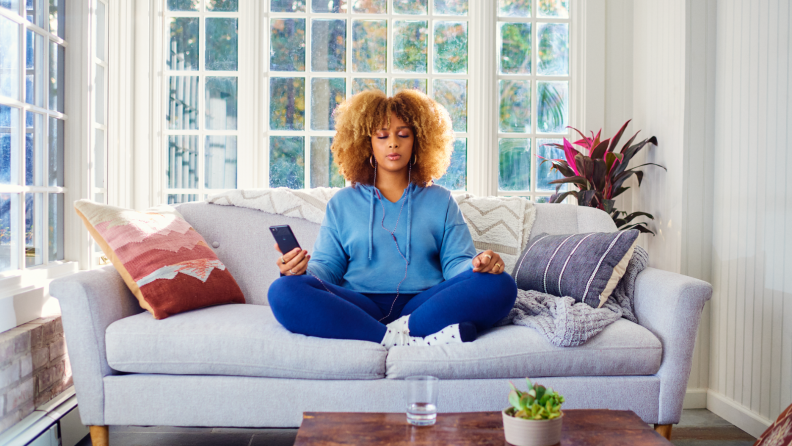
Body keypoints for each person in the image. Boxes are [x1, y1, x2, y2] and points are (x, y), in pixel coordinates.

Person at [268, 89, 517, 349]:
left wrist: (477, 266)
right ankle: (401, 339)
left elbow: (456, 264)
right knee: (283, 290)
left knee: (500, 285)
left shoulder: (442, 200)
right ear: (366, 143)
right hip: (358, 305)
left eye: (403, 134)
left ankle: (398, 331)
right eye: (382, 135)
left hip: (424, 304)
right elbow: (327, 267)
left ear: (418, 140)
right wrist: (299, 270)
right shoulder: (342, 203)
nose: (393, 143)